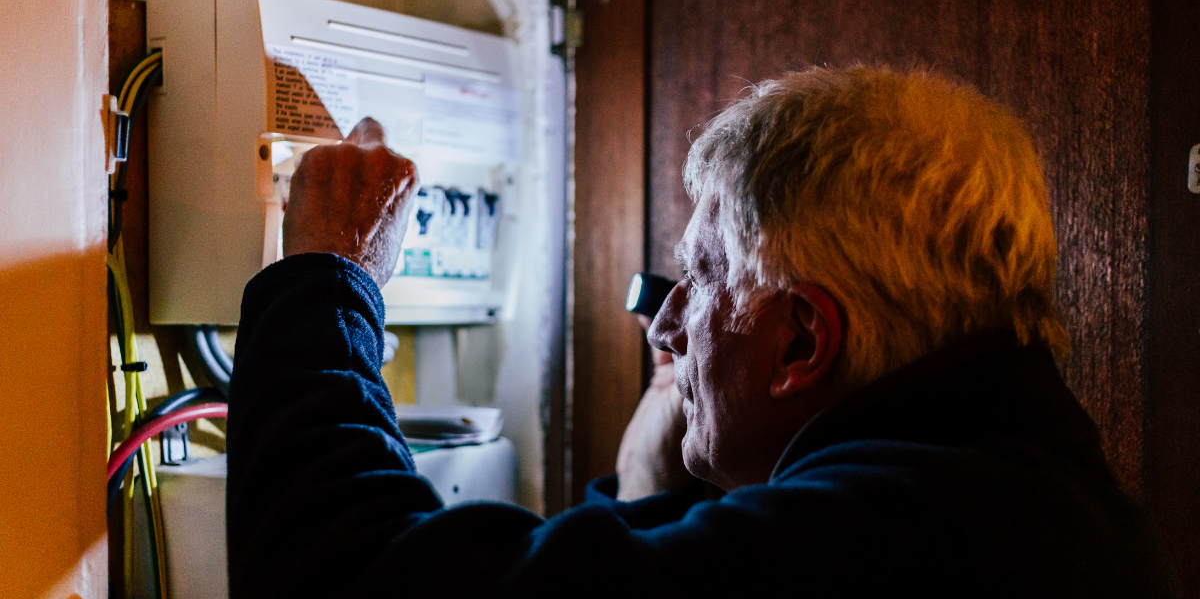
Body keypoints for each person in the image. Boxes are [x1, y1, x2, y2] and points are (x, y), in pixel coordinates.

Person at [226, 67, 1177, 597]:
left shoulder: (873, 541)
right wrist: (649, 485)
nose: (668, 325)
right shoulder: (1032, 501)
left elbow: (346, 581)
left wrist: (331, 275)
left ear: (802, 339)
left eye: (704, 277)